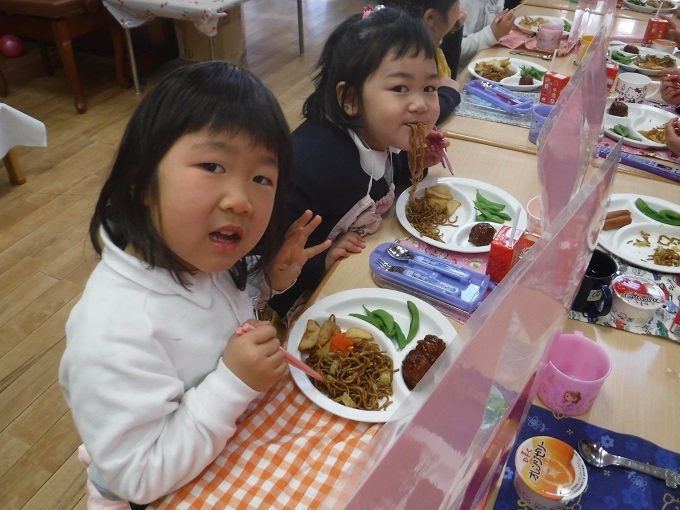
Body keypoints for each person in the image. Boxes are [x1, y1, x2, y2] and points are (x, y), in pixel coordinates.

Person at [59, 61, 331, 507]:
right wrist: (234, 382)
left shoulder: (195, 255)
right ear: (140, 181)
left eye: (262, 177)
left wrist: (268, 283)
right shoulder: (114, 330)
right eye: (212, 165)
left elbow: (219, 313)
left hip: (223, 446)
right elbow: (137, 476)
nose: (242, 201)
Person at [268, 7, 448, 319]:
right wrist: (318, 262)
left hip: (364, 257)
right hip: (299, 298)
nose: (420, 104)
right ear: (350, 99)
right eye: (400, 88)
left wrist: (415, 163)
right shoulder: (311, 165)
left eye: (429, 88)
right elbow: (270, 251)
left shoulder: (381, 133)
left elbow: (386, 177)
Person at [382, 0, 465, 123]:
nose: (462, 9)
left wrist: (453, 31)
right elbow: (419, 114)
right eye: (457, 3)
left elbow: (447, 79)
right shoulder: (408, 57)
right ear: (431, 17)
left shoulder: (428, 44)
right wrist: (448, 94)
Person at [458, 0, 515, 69]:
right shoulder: (465, 3)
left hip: (487, 58)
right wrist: (491, 34)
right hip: (462, 72)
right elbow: (452, 51)